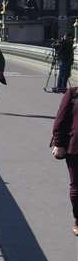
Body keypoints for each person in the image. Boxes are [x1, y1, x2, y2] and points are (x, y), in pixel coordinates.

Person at [50, 87, 78, 235]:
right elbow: (60, 119)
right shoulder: (73, 93)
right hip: (75, 147)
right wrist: (59, 143)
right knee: (77, 186)